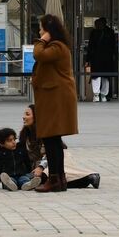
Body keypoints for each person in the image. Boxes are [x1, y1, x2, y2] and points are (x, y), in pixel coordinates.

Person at [29, 13, 79, 193]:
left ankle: (55, 179)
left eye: (42, 28)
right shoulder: (58, 46)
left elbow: (38, 55)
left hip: (56, 97)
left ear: (49, 29)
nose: (40, 31)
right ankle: (59, 178)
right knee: (53, 139)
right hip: (53, 96)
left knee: (51, 138)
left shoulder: (57, 46)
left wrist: (41, 40)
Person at [16, 105, 98, 189]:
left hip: (53, 161)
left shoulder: (47, 133)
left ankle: (90, 177)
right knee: (43, 177)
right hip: (40, 166)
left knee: (50, 175)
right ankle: (87, 179)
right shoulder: (25, 136)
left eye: (27, 114)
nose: (23, 117)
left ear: (37, 117)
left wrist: (41, 167)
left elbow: (51, 152)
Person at [84, 17, 119, 102]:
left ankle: (100, 95)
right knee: (100, 76)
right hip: (102, 58)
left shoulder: (106, 32)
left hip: (101, 57)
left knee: (102, 76)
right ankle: (99, 95)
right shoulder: (108, 32)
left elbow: (91, 47)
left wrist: (88, 59)